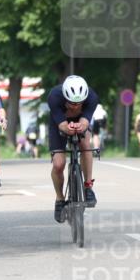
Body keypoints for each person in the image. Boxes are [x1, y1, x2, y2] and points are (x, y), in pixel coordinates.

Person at [48, 75, 99, 223]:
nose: (75, 106)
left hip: (80, 121)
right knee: (58, 164)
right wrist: (67, 128)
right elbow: (62, 125)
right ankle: (59, 199)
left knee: (85, 144)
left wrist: (81, 125)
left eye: (79, 103)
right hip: (60, 122)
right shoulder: (54, 97)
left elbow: (85, 120)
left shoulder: (92, 97)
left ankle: (88, 186)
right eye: (71, 103)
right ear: (65, 97)